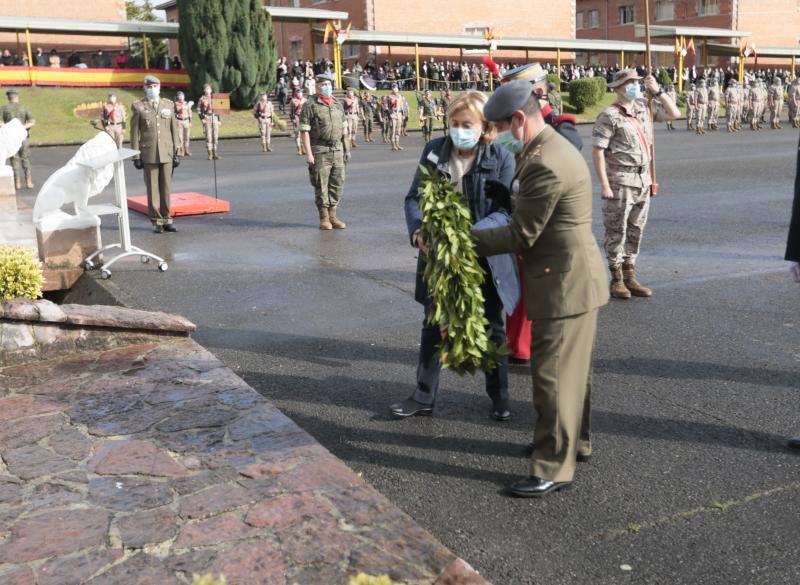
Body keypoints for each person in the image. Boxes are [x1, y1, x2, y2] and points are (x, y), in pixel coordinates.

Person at [471, 80, 608, 497]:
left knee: (552, 377)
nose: (502, 137)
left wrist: (464, 239)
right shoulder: (546, 148)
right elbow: (538, 214)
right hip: (573, 277)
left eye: (503, 128)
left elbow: (522, 234)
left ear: (519, 119)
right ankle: (574, 443)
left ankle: (552, 465)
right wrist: (511, 201)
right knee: (574, 374)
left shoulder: (544, 160)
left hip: (564, 284)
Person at [392, 90, 516, 421]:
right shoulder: (435, 151)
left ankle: (500, 396)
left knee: (491, 325)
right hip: (440, 257)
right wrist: (418, 231)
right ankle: (423, 395)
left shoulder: (500, 157)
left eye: (467, 124)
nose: (459, 129)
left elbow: (505, 210)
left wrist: (467, 239)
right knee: (434, 323)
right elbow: (414, 197)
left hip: (484, 256)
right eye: (454, 123)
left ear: (484, 126)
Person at [591, 69, 680, 300]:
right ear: (619, 87)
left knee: (636, 229)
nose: (635, 86)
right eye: (630, 83)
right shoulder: (609, 115)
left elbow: (674, 113)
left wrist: (657, 91)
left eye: (637, 82)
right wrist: (604, 184)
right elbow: (598, 152)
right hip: (620, 180)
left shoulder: (644, 107)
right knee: (616, 229)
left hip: (643, 180)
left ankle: (630, 274)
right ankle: (617, 277)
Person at [299, 72, 351, 231]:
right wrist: (308, 153)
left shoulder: (337, 104)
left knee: (338, 182)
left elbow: (344, 129)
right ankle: (324, 217)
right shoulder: (310, 105)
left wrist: (346, 149)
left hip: (337, 149)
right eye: (323, 85)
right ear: (317, 86)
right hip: (320, 150)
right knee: (321, 184)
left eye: (329, 84)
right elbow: (304, 131)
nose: (327, 87)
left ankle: (333, 215)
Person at [130, 75, 180, 233]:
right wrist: (136, 156)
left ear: (159, 87)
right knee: (153, 188)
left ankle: (167, 219)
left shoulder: (168, 104)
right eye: (149, 87)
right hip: (149, 152)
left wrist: (177, 152)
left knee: (166, 187)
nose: (152, 90)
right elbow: (134, 133)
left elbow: (174, 129)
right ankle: (157, 221)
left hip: (167, 152)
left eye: (155, 87)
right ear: (145, 88)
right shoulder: (139, 106)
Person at [0, 89, 36, 189]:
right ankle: (28, 181)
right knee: (25, 158)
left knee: (14, 159)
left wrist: (8, 128)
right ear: (17, 96)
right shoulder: (24, 108)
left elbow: (0, 122)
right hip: (22, 137)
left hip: (9, 139)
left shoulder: (3, 108)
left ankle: (17, 182)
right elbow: (32, 121)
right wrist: (21, 128)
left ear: (8, 97)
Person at [197, 84, 221, 160]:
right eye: (206, 89)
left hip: (214, 117)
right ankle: (210, 154)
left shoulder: (215, 98)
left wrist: (219, 119)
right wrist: (202, 118)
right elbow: (198, 110)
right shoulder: (202, 99)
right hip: (207, 117)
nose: (208, 90)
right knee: (208, 136)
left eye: (209, 89)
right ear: (204, 90)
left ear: (211, 90)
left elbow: (218, 109)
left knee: (215, 136)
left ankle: (215, 153)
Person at [387, 84, 406, 151]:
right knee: (393, 130)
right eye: (393, 88)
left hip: (399, 114)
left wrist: (403, 114)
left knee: (398, 130)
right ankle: (393, 144)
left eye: (396, 88)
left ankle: (397, 144)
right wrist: (390, 113)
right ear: (392, 89)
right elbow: (388, 106)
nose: (395, 89)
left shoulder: (400, 96)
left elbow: (402, 105)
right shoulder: (389, 96)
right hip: (393, 114)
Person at [174, 91, 193, 157]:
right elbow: (175, 112)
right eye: (179, 95)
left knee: (187, 136)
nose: (181, 97)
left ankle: (186, 150)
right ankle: (181, 151)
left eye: (182, 95)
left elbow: (189, 112)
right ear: (177, 97)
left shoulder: (186, 104)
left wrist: (190, 121)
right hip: (179, 121)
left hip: (186, 121)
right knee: (180, 137)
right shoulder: (176, 104)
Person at [290, 89, 307, 156]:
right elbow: (291, 111)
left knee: (304, 133)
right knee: (298, 135)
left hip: (304, 118)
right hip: (297, 117)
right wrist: (292, 119)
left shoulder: (305, 100)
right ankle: (299, 149)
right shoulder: (293, 100)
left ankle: (304, 149)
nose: (299, 93)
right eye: (298, 92)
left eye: (300, 92)